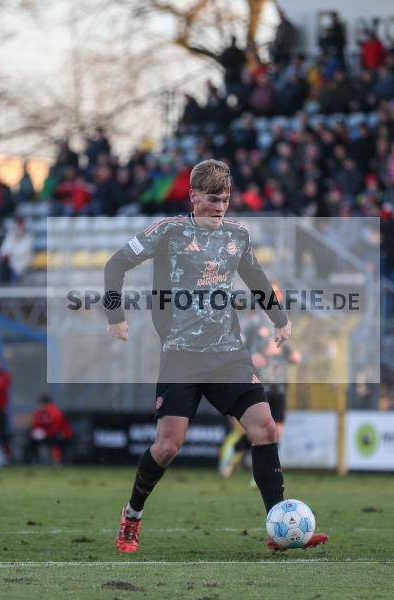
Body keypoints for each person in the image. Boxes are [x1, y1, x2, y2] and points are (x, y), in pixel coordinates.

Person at [103, 159, 328, 553]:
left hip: (228, 355)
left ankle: (280, 528)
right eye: (212, 200)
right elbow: (116, 263)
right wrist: (115, 315)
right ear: (193, 197)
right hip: (181, 356)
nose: (220, 207)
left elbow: (256, 277)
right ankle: (132, 516)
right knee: (168, 447)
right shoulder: (169, 231)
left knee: (266, 428)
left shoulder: (237, 236)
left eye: (225, 200)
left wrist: (280, 319)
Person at [219, 311, 302, 479]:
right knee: (258, 430)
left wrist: (294, 357)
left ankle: (266, 473)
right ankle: (235, 453)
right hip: (260, 386)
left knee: (275, 432)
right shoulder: (254, 325)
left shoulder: (282, 327)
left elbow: (291, 354)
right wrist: (252, 357)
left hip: (279, 388)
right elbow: (239, 350)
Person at [24, 395, 72, 465]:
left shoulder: (55, 411)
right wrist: (36, 432)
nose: (40, 406)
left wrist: (45, 433)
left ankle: (57, 460)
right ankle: (35, 460)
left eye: (42, 404)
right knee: (32, 441)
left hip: (61, 434)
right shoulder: (40, 412)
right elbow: (35, 424)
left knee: (55, 440)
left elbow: (56, 427)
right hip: (47, 434)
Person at [0, 217, 34, 284]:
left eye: (20, 227)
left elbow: (23, 251)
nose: (18, 229)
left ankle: (12, 284)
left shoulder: (28, 238)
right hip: (10, 262)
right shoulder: (10, 236)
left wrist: (10, 253)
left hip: (22, 261)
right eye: (17, 227)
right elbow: (3, 250)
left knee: (13, 266)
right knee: (3, 263)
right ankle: (4, 284)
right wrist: (7, 254)